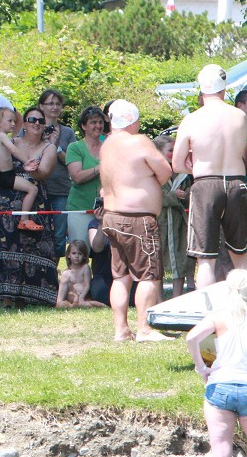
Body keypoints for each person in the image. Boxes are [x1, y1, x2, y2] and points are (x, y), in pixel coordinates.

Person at [100, 99, 172, 342]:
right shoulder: (138, 141)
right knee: (149, 275)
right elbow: (165, 170)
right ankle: (144, 329)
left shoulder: (107, 144)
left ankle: (121, 330)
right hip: (137, 220)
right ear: (132, 120)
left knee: (121, 277)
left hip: (111, 216)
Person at [173, 64, 247, 288]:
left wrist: (195, 166)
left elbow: (177, 163)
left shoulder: (192, 120)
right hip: (237, 182)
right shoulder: (240, 117)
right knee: (241, 256)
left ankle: (208, 315)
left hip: (205, 183)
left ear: (201, 90)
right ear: (224, 90)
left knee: (205, 259)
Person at [187, 270, 247, 457]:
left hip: (220, 386)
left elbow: (192, 337)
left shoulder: (220, 317)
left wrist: (201, 367)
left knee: (220, 456)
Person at [0, 106, 58, 308]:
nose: (36, 123)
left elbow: (43, 174)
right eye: (32, 119)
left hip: (35, 202)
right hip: (5, 202)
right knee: (5, 246)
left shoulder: (49, 148)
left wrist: (31, 168)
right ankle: (7, 296)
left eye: (41, 121)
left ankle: (29, 295)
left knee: (34, 248)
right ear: (23, 123)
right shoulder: (11, 141)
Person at [0, 107, 43, 231]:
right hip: (6, 176)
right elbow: (14, 150)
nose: (13, 124)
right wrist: (26, 162)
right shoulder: (1, 136)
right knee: (32, 189)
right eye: (10, 121)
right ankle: (24, 219)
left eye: (14, 121)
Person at [37, 89, 76, 256]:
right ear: (41, 106)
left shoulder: (68, 132)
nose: (54, 107)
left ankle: (54, 271)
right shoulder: (32, 127)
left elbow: (72, 161)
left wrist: (55, 148)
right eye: (50, 103)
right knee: (39, 232)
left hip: (61, 188)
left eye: (58, 104)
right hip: (38, 188)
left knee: (59, 236)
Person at [155, 134, 191, 298]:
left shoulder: (182, 173)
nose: (174, 153)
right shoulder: (153, 173)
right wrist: (172, 196)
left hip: (178, 222)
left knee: (180, 258)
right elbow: (154, 196)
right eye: (170, 150)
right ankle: (159, 298)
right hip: (159, 222)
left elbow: (191, 192)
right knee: (158, 261)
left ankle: (177, 296)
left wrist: (186, 195)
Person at [65, 105, 106, 245]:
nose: (98, 126)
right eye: (93, 122)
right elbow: (77, 177)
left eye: (100, 122)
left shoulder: (108, 147)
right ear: (83, 126)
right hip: (80, 208)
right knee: (80, 252)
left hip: (105, 209)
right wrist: (101, 167)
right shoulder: (75, 147)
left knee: (103, 253)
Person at [57, 240, 103, 308]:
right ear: (69, 255)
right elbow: (60, 297)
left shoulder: (85, 268)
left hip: (84, 298)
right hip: (71, 299)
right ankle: (73, 305)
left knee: (92, 303)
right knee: (60, 305)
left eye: (80, 254)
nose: (77, 256)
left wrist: (81, 297)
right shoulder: (66, 273)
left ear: (84, 256)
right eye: (74, 253)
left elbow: (87, 285)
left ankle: (102, 305)